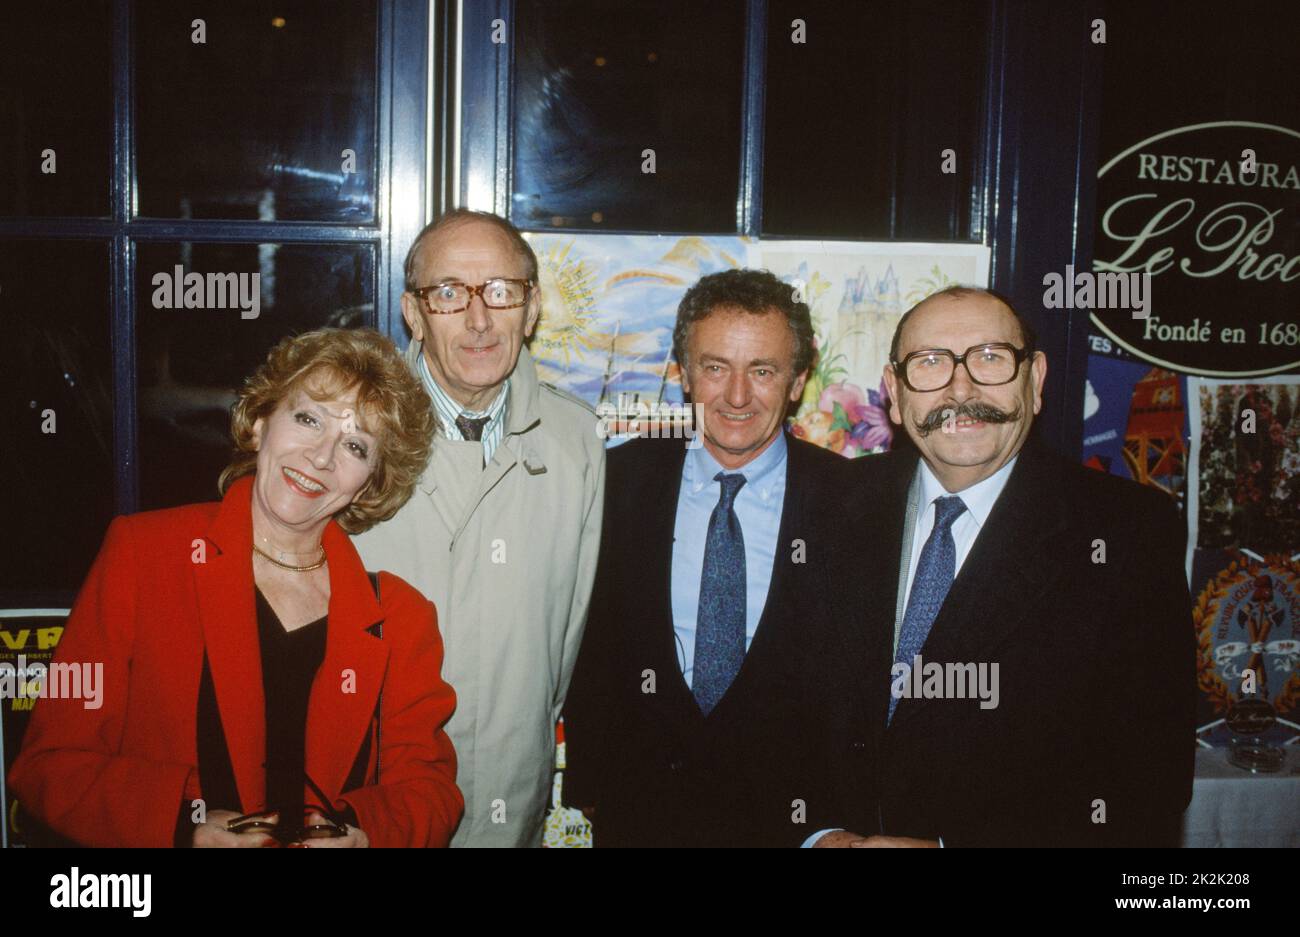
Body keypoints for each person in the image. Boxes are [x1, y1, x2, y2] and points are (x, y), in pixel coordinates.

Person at [9, 328, 463, 847]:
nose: (321, 456)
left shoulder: (400, 615)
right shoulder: (143, 555)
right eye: (308, 418)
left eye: (355, 445)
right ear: (261, 422)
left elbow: (430, 790)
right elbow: (48, 766)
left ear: (372, 480)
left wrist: (366, 836)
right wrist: (183, 828)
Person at [811, 286, 1195, 847]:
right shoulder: (828, 509)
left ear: (1034, 380)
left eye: (990, 358)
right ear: (894, 393)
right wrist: (818, 834)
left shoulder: (1128, 533)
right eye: (930, 362)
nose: (961, 388)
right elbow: (778, 709)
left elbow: (1150, 779)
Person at [562, 268, 847, 847]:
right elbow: (590, 639)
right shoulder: (615, 484)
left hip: (795, 826)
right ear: (684, 374)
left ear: (797, 381)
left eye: (762, 371)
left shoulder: (855, 503)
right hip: (639, 816)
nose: (737, 396)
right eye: (716, 367)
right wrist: (596, 786)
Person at [353, 210, 605, 847]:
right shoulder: (350, 430)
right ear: (413, 313)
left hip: (509, 794)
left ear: (533, 307)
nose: (478, 319)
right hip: (368, 800)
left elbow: (566, 634)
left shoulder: (576, 440)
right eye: (448, 294)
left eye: (500, 291)